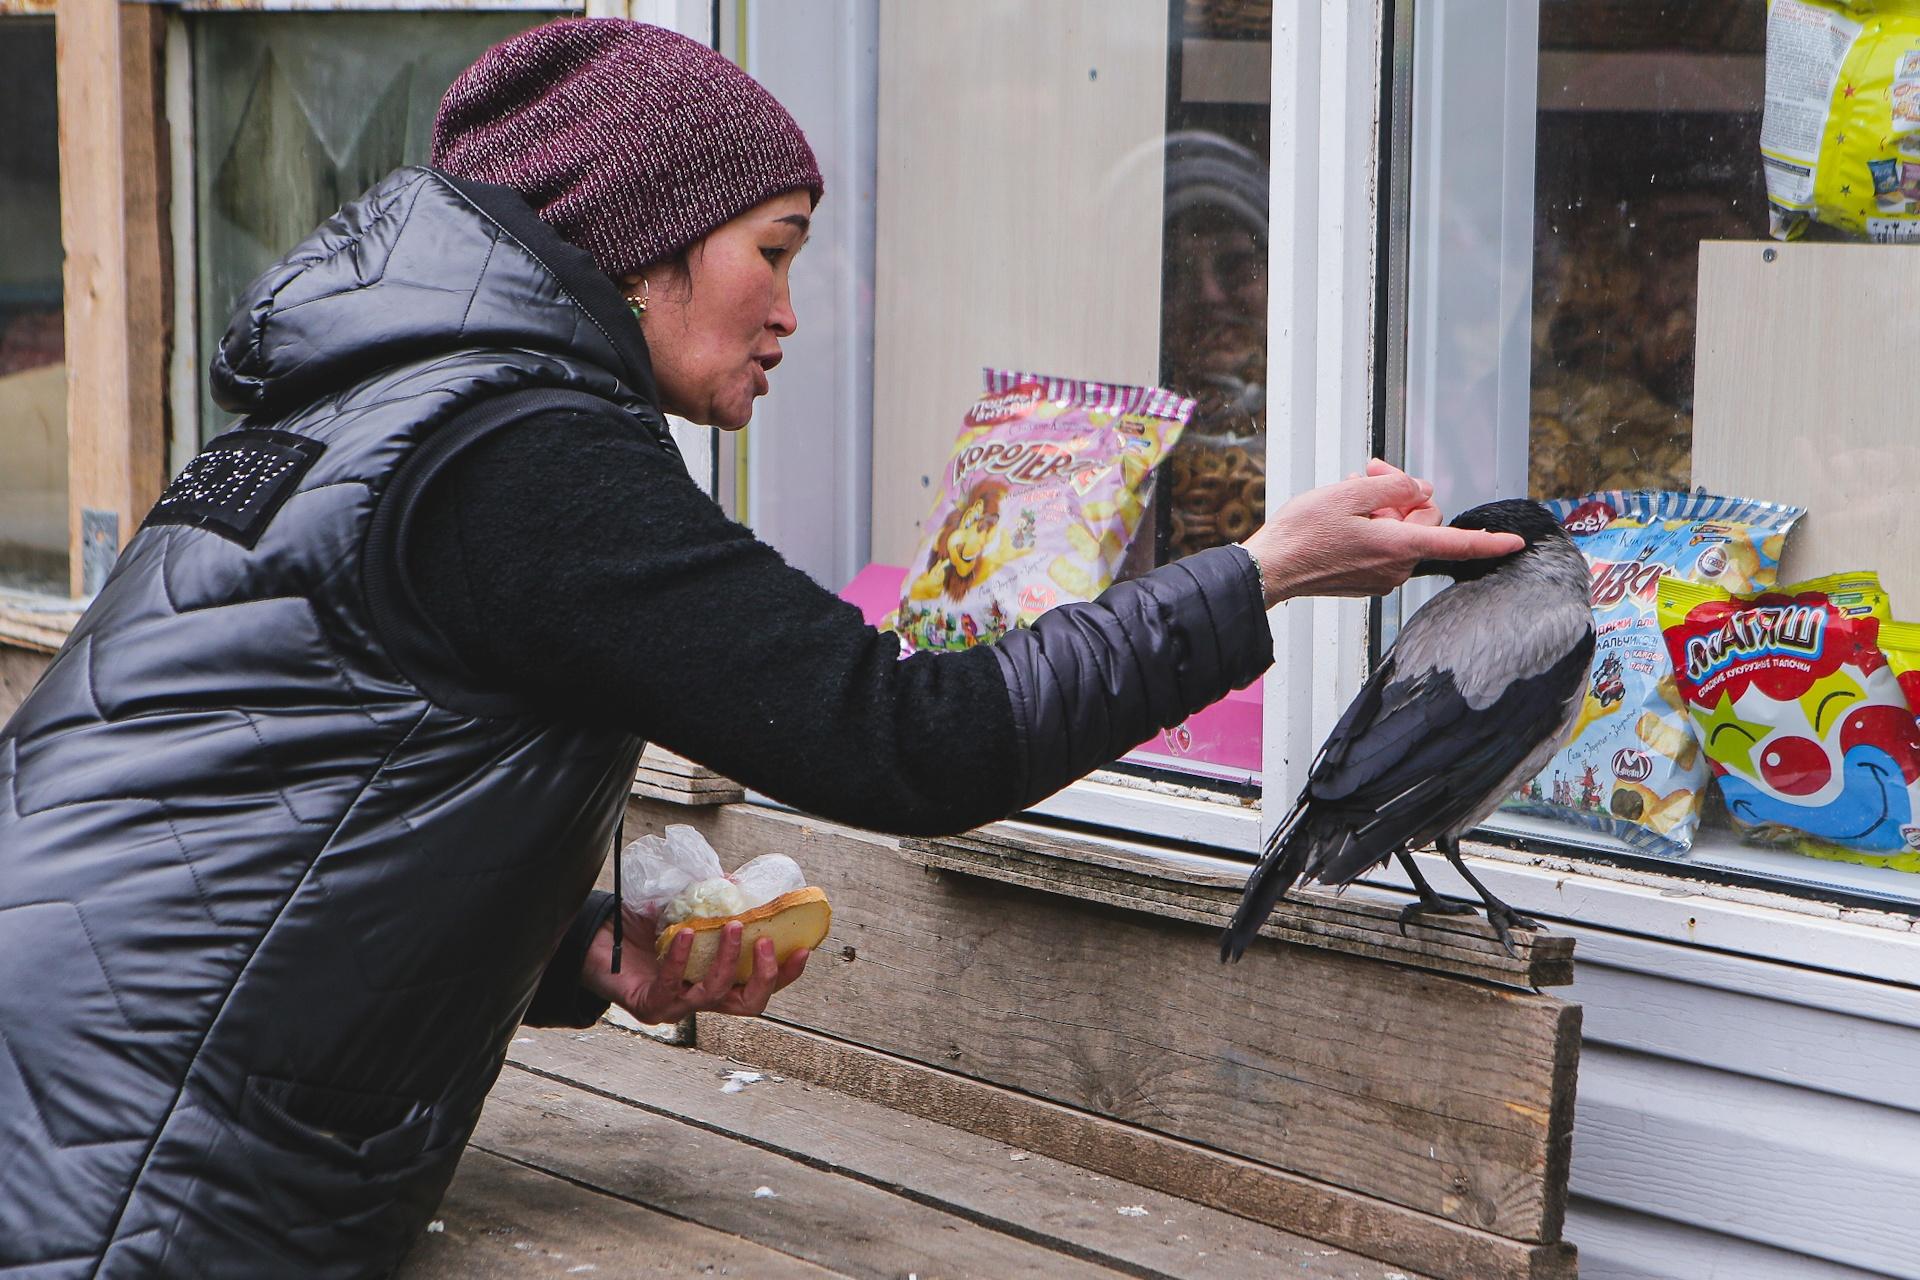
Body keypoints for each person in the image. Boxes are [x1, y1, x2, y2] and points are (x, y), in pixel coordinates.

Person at [0, 19, 1522, 1278]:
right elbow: (907, 737)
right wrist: (1261, 576)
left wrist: (567, 951)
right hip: (128, 1165)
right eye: (772, 251)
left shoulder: (384, 406)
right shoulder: (528, 453)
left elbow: (277, 788)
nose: (794, 309)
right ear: (644, 238)